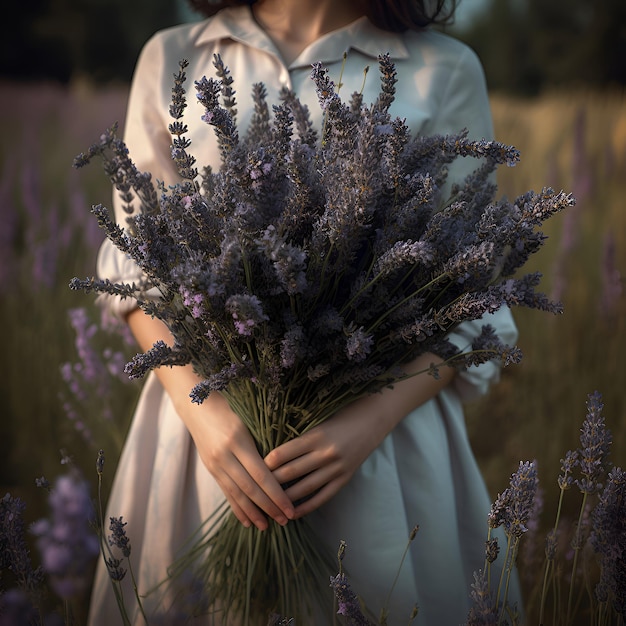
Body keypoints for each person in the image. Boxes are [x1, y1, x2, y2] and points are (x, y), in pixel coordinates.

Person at [89, 1, 521, 624]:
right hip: (207, 443)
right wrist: (204, 415)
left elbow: (472, 290)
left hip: (375, 459)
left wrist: (370, 422)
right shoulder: (172, 56)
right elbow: (137, 269)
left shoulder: (444, 69)